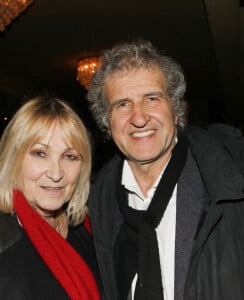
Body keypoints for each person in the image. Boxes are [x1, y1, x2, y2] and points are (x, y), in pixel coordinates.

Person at [87, 40, 244, 300]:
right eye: (122, 104)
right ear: (107, 120)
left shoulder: (230, 177)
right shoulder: (98, 198)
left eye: (151, 98)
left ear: (175, 108)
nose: (139, 118)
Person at [0, 96, 102, 300]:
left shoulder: (87, 230)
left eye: (69, 156)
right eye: (40, 153)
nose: (56, 173)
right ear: (13, 159)